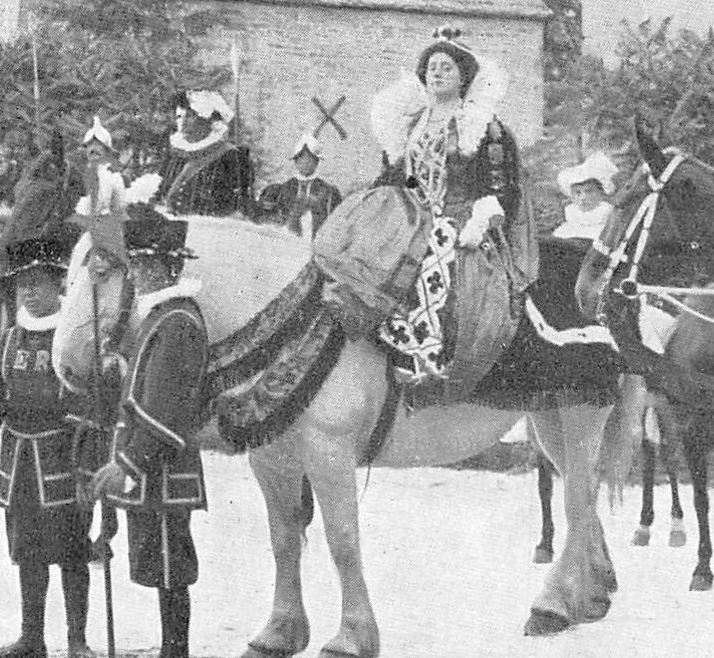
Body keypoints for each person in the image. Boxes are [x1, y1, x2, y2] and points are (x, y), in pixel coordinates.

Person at [314, 26, 534, 401]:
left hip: (462, 220)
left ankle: (424, 360)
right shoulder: (411, 123)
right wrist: (394, 205)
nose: (437, 73)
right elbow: (403, 177)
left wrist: (478, 222)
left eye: (446, 67)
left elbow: (500, 188)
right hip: (415, 213)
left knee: (435, 254)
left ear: (463, 77)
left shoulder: (482, 126)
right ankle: (367, 347)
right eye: (432, 67)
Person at [85, 206, 209, 658]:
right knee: (162, 568)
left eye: (141, 264)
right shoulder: (162, 316)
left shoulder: (177, 322)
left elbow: (165, 408)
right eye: (132, 263)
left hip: (162, 469)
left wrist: (127, 463)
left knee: (171, 569)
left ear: (164, 267)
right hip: (155, 470)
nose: (134, 273)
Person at [0, 218, 99, 658]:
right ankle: (31, 638)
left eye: (39, 284)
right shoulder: (4, 343)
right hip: (18, 463)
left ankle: (78, 639)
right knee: (27, 554)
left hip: (63, 460)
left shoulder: (74, 341)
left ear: (58, 288)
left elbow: (91, 407)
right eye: (23, 284)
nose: (29, 292)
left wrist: (88, 463)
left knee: (72, 552)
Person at [158, 90, 255, 217]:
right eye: (179, 116)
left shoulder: (230, 157)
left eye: (190, 116)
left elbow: (238, 205)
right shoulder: (175, 155)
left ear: (207, 119)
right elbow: (160, 193)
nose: (183, 122)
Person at [255, 133, 343, 237]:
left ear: (317, 162)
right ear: (296, 162)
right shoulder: (283, 189)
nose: (305, 163)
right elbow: (269, 220)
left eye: (310, 159)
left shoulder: (329, 192)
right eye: (301, 159)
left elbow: (337, 223)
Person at [552, 152, 617, 241]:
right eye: (578, 193)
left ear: (601, 194)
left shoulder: (605, 213)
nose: (583, 197)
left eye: (589, 191)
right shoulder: (572, 215)